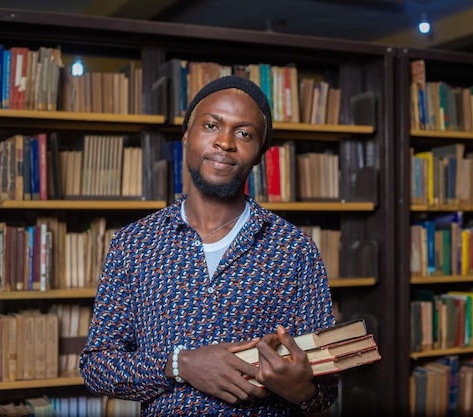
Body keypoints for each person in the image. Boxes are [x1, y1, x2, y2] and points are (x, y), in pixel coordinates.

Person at [79, 75, 338, 416]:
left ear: (259, 153)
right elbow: (97, 367)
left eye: (244, 133)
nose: (225, 142)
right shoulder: (133, 244)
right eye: (212, 125)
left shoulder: (295, 249)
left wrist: (301, 391)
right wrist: (180, 364)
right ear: (187, 136)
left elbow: (325, 391)